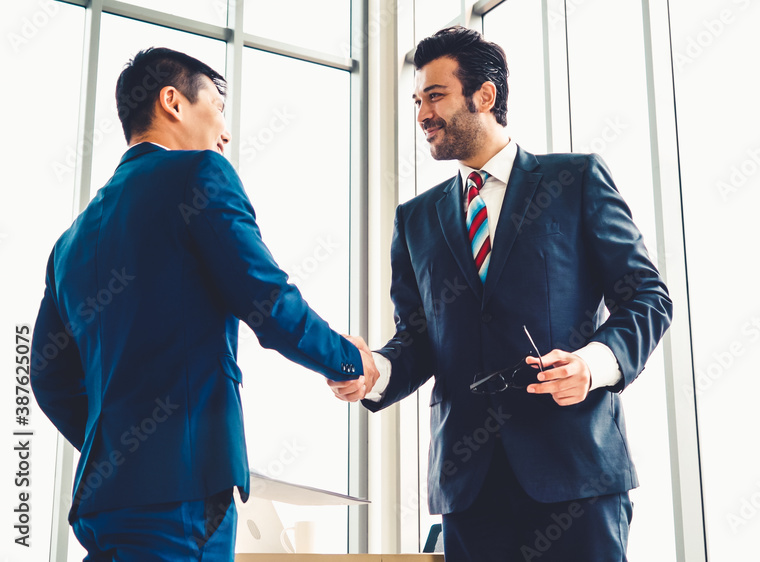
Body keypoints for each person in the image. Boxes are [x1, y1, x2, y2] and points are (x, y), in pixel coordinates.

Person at [329, 26, 672, 561]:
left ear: (484, 96)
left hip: (576, 472)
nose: (422, 114)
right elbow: (418, 338)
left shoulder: (575, 179)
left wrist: (594, 364)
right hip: (469, 488)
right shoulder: (415, 219)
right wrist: (379, 369)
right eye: (418, 100)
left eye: (435, 96)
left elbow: (647, 296)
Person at [30, 47, 375, 561]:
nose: (225, 132)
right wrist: (349, 360)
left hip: (104, 504)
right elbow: (266, 299)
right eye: (216, 107)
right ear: (173, 102)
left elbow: (49, 380)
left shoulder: (71, 241)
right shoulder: (197, 176)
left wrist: (126, 449)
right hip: (180, 502)